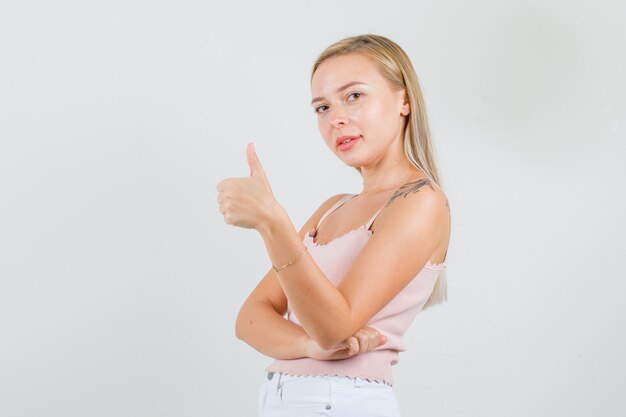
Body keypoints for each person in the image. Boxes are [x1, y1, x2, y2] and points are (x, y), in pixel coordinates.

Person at [217, 34, 451, 417]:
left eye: (354, 96)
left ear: (404, 100)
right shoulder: (332, 208)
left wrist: (272, 222)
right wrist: (310, 346)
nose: (336, 118)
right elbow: (250, 319)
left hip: (342, 401)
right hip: (286, 398)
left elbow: (336, 325)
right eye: (322, 107)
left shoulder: (421, 201)